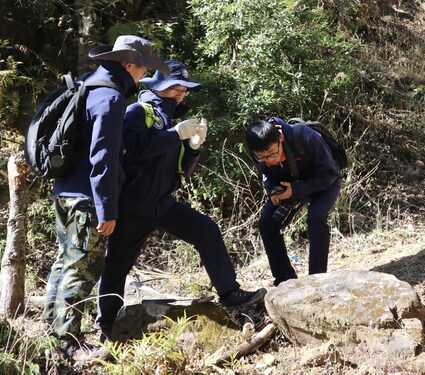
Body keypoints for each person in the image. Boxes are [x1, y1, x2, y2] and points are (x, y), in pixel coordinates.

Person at [96, 60, 267, 342]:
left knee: (206, 230)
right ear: (160, 86)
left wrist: (193, 147)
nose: (182, 94)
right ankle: (107, 327)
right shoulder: (137, 112)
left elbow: (182, 171)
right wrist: (175, 135)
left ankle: (230, 294)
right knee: (117, 267)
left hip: (163, 203)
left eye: (185, 90)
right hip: (133, 206)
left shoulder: (173, 120)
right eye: (177, 88)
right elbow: (136, 149)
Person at [42, 35, 170, 359]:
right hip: (87, 197)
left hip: (65, 191)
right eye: (143, 68)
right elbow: (104, 157)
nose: (144, 75)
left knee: (66, 263)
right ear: (129, 64)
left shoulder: (89, 87)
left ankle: (52, 335)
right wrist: (106, 209)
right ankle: (68, 346)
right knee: (82, 269)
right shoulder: (111, 98)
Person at [245, 117, 342, 286]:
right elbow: (266, 173)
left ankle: (316, 280)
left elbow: (330, 173)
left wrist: (296, 190)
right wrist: (272, 191)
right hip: (292, 185)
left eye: (273, 153)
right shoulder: (258, 150)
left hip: (325, 182)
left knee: (316, 217)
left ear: (280, 138)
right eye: (262, 157)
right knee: (266, 224)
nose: (270, 160)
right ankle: (285, 281)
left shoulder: (306, 137)